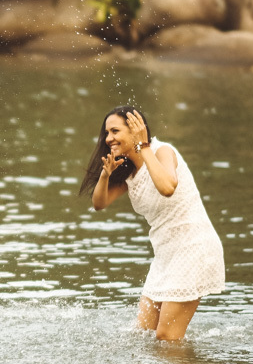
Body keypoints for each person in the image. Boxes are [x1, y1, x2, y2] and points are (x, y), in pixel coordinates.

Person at [79, 106, 224, 340]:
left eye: (115, 131)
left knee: (166, 337)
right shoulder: (128, 171)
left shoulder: (162, 151)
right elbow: (99, 203)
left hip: (193, 247)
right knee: (143, 334)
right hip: (165, 255)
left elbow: (167, 187)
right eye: (107, 133)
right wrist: (106, 174)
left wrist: (143, 146)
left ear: (135, 130)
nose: (108, 139)